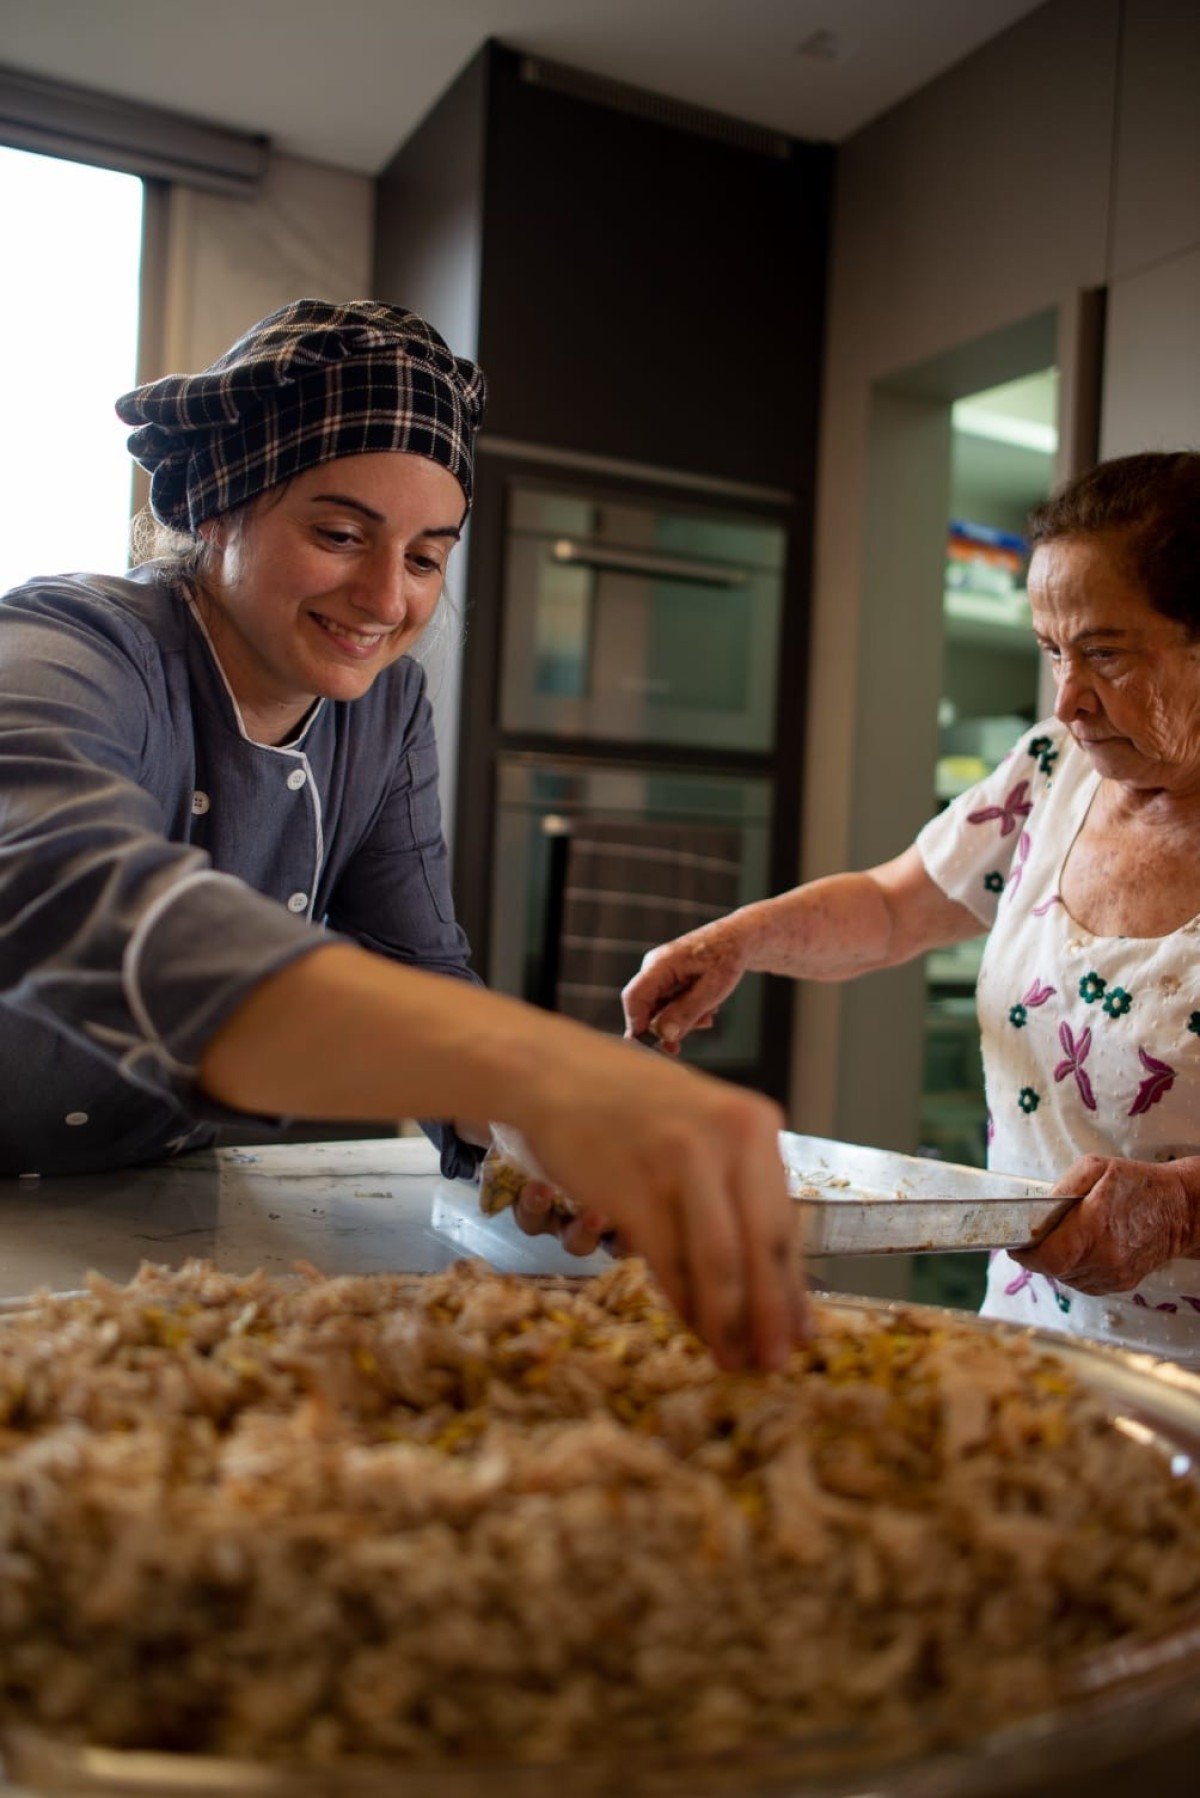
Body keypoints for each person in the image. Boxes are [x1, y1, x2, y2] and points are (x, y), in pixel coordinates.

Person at [0, 298, 806, 1373]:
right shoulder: (75, 643)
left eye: (428, 556)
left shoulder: (382, 710)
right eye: (339, 534)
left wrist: (513, 1138)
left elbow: (413, 957)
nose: (385, 597)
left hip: (136, 1196)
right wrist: (537, 1071)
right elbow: (60, 888)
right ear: (221, 510)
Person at [623, 451, 1200, 1364]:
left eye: (1104, 652)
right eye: (1052, 650)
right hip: (1030, 1334)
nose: (1069, 698)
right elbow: (896, 907)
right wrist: (740, 941)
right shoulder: (1053, 769)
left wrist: (1179, 1210)